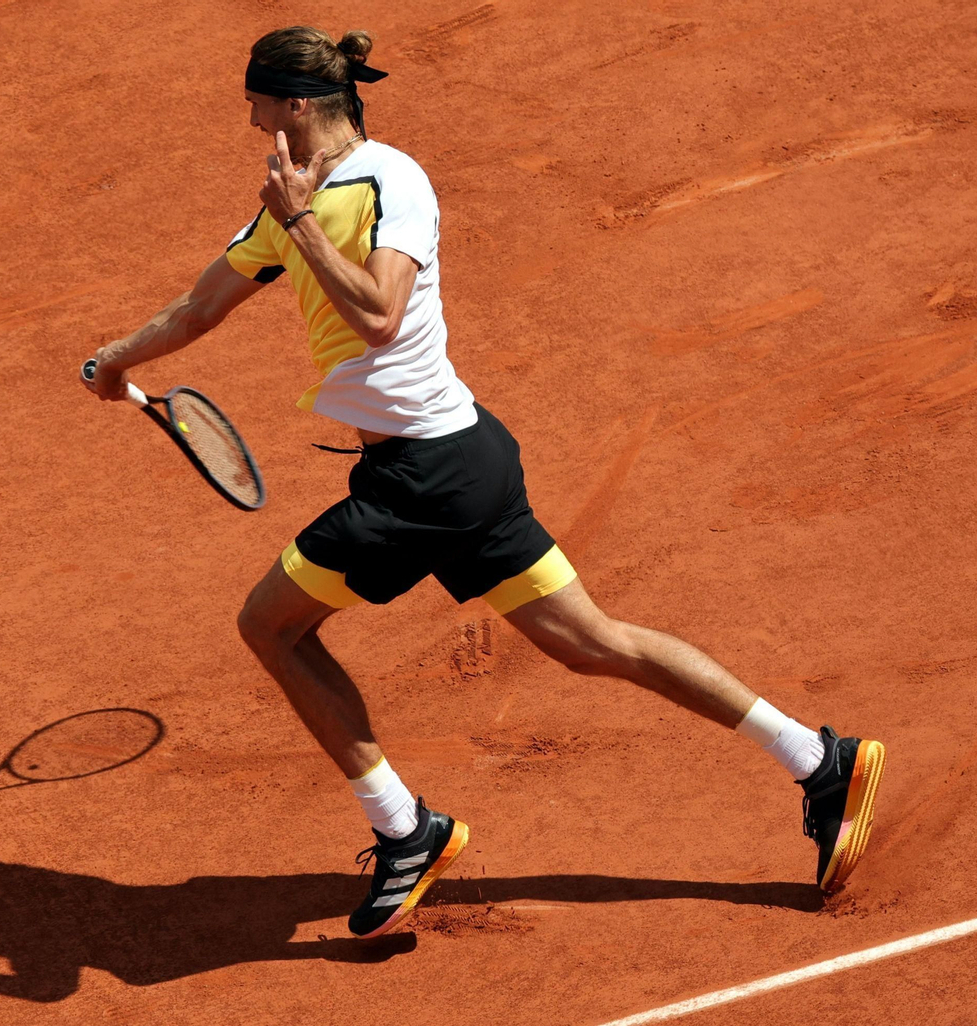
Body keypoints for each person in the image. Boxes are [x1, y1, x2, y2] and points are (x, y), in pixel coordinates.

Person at [86, 25, 885, 939]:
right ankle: (820, 760)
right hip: (456, 461)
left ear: (297, 105)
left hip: (425, 475)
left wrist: (302, 220)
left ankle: (405, 831)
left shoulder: (393, 182)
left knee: (269, 624)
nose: (251, 118)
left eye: (258, 102)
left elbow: (382, 315)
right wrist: (118, 358)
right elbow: (201, 305)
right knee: (594, 643)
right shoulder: (288, 207)